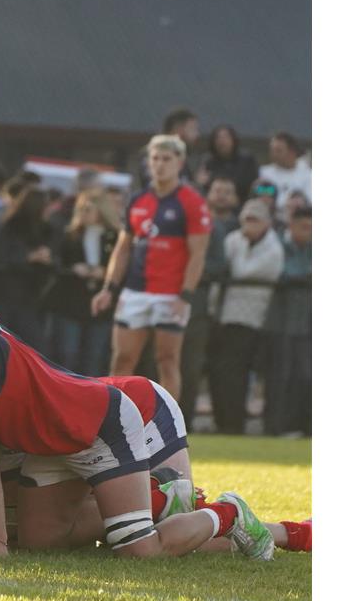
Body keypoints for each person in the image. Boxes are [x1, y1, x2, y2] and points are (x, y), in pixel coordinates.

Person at [0, 265, 275, 560]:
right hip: (50, 441)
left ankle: (228, 512)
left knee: (139, 551)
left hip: (97, 428)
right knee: (41, 542)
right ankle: (160, 502)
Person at [92, 135, 210, 404]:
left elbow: (198, 254)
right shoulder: (138, 200)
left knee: (167, 360)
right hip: (135, 290)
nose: (159, 165)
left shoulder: (191, 202)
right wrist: (109, 288)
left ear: (179, 163)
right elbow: (123, 248)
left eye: (166, 159)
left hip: (171, 293)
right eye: (155, 158)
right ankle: (115, 423)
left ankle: (170, 430)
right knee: (122, 359)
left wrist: (186, 296)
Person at [209, 199, 284, 434]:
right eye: (245, 219)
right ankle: (223, 422)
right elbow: (222, 267)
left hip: (253, 320)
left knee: (237, 375)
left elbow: (239, 270)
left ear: (266, 223)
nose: (248, 225)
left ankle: (233, 424)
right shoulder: (234, 239)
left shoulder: (274, 249)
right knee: (220, 373)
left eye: (254, 220)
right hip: (224, 316)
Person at [179, 176, 241, 414]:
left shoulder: (210, 228)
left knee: (190, 367)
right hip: (163, 304)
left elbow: (219, 266)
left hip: (198, 309)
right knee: (157, 366)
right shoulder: (168, 226)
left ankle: (185, 422)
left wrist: (190, 271)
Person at [47, 189, 119, 376]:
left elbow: (122, 267)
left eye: (89, 209)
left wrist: (104, 272)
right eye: (81, 209)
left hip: (100, 305)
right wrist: (74, 270)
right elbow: (55, 263)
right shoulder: (70, 235)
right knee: (67, 354)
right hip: (72, 302)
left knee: (94, 356)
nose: (84, 213)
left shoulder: (114, 237)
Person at [0, 185, 55, 351]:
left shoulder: (45, 229)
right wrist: (28, 257)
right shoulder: (9, 226)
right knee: (2, 339)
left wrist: (47, 258)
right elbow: (0, 255)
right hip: (5, 291)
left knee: (34, 344)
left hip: (29, 293)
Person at [262, 207, 311, 437]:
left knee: (305, 376)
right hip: (278, 324)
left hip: (306, 325)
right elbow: (280, 272)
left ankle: (301, 426)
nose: (310, 232)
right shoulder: (277, 246)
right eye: (305, 227)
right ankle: (275, 427)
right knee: (278, 376)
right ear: (291, 225)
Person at [195, 125, 258, 201]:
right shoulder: (207, 161)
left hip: (241, 204)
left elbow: (253, 185)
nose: (222, 141)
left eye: (226, 137)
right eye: (218, 138)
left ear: (233, 140)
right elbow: (201, 184)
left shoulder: (246, 160)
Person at [258, 131, 312, 208]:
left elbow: (310, 200)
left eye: (278, 151)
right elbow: (264, 198)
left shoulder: (308, 174)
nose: (273, 155)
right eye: (272, 150)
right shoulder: (264, 173)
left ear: (292, 152)